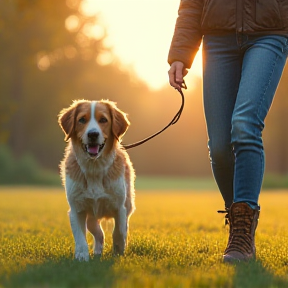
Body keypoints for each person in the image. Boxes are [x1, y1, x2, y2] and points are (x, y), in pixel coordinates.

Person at [168, 0, 288, 263]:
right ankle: (238, 221)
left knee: (245, 125)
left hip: (269, 32)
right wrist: (180, 53)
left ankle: (242, 233)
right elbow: (191, 5)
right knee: (220, 146)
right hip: (217, 38)